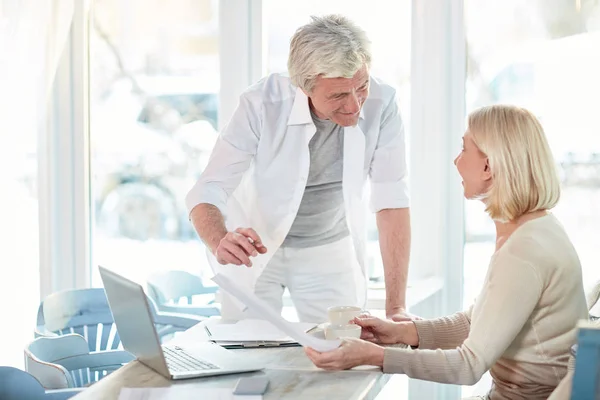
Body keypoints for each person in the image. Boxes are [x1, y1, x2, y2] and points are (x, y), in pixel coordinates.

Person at [305, 105, 589, 399]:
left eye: (464, 149)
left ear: (488, 167)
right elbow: (476, 322)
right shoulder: (536, 229)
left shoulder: (524, 251)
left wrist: (374, 356)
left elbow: (468, 366)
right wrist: (401, 333)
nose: (456, 161)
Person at [185, 14, 411, 323]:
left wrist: (396, 307)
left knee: (342, 350)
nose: (356, 105)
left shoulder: (383, 103)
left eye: (361, 86)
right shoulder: (262, 103)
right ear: (304, 87)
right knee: (248, 351)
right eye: (338, 95)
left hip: (329, 249)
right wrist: (219, 238)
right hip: (256, 250)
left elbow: (392, 201)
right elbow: (209, 187)